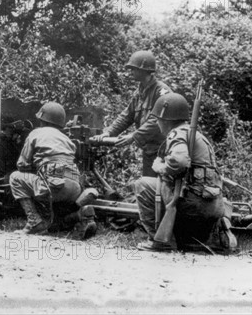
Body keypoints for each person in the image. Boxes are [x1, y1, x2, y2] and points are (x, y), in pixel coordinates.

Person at [135, 93, 236, 252]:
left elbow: (180, 162)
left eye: (157, 119)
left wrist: (160, 167)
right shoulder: (197, 135)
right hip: (212, 206)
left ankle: (158, 241)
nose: (157, 123)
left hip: (192, 204)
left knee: (142, 185)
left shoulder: (177, 133)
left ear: (165, 119)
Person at [9, 102, 98, 239]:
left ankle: (34, 222)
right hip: (75, 187)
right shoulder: (67, 139)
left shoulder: (36, 133)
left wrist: (33, 169)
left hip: (54, 186)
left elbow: (22, 164)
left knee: (15, 177)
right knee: (54, 221)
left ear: (42, 120)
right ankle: (80, 215)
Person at [93, 50, 171, 178]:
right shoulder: (139, 92)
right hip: (149, 150)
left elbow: (157, 120)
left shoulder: (162, 91)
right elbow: (127, 115)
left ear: (144, 70)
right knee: (149, 187)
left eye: (133, 69)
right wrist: (110, 132)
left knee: (162, 189)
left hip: (164, 150)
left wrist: (134, 136)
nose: (131, 72)